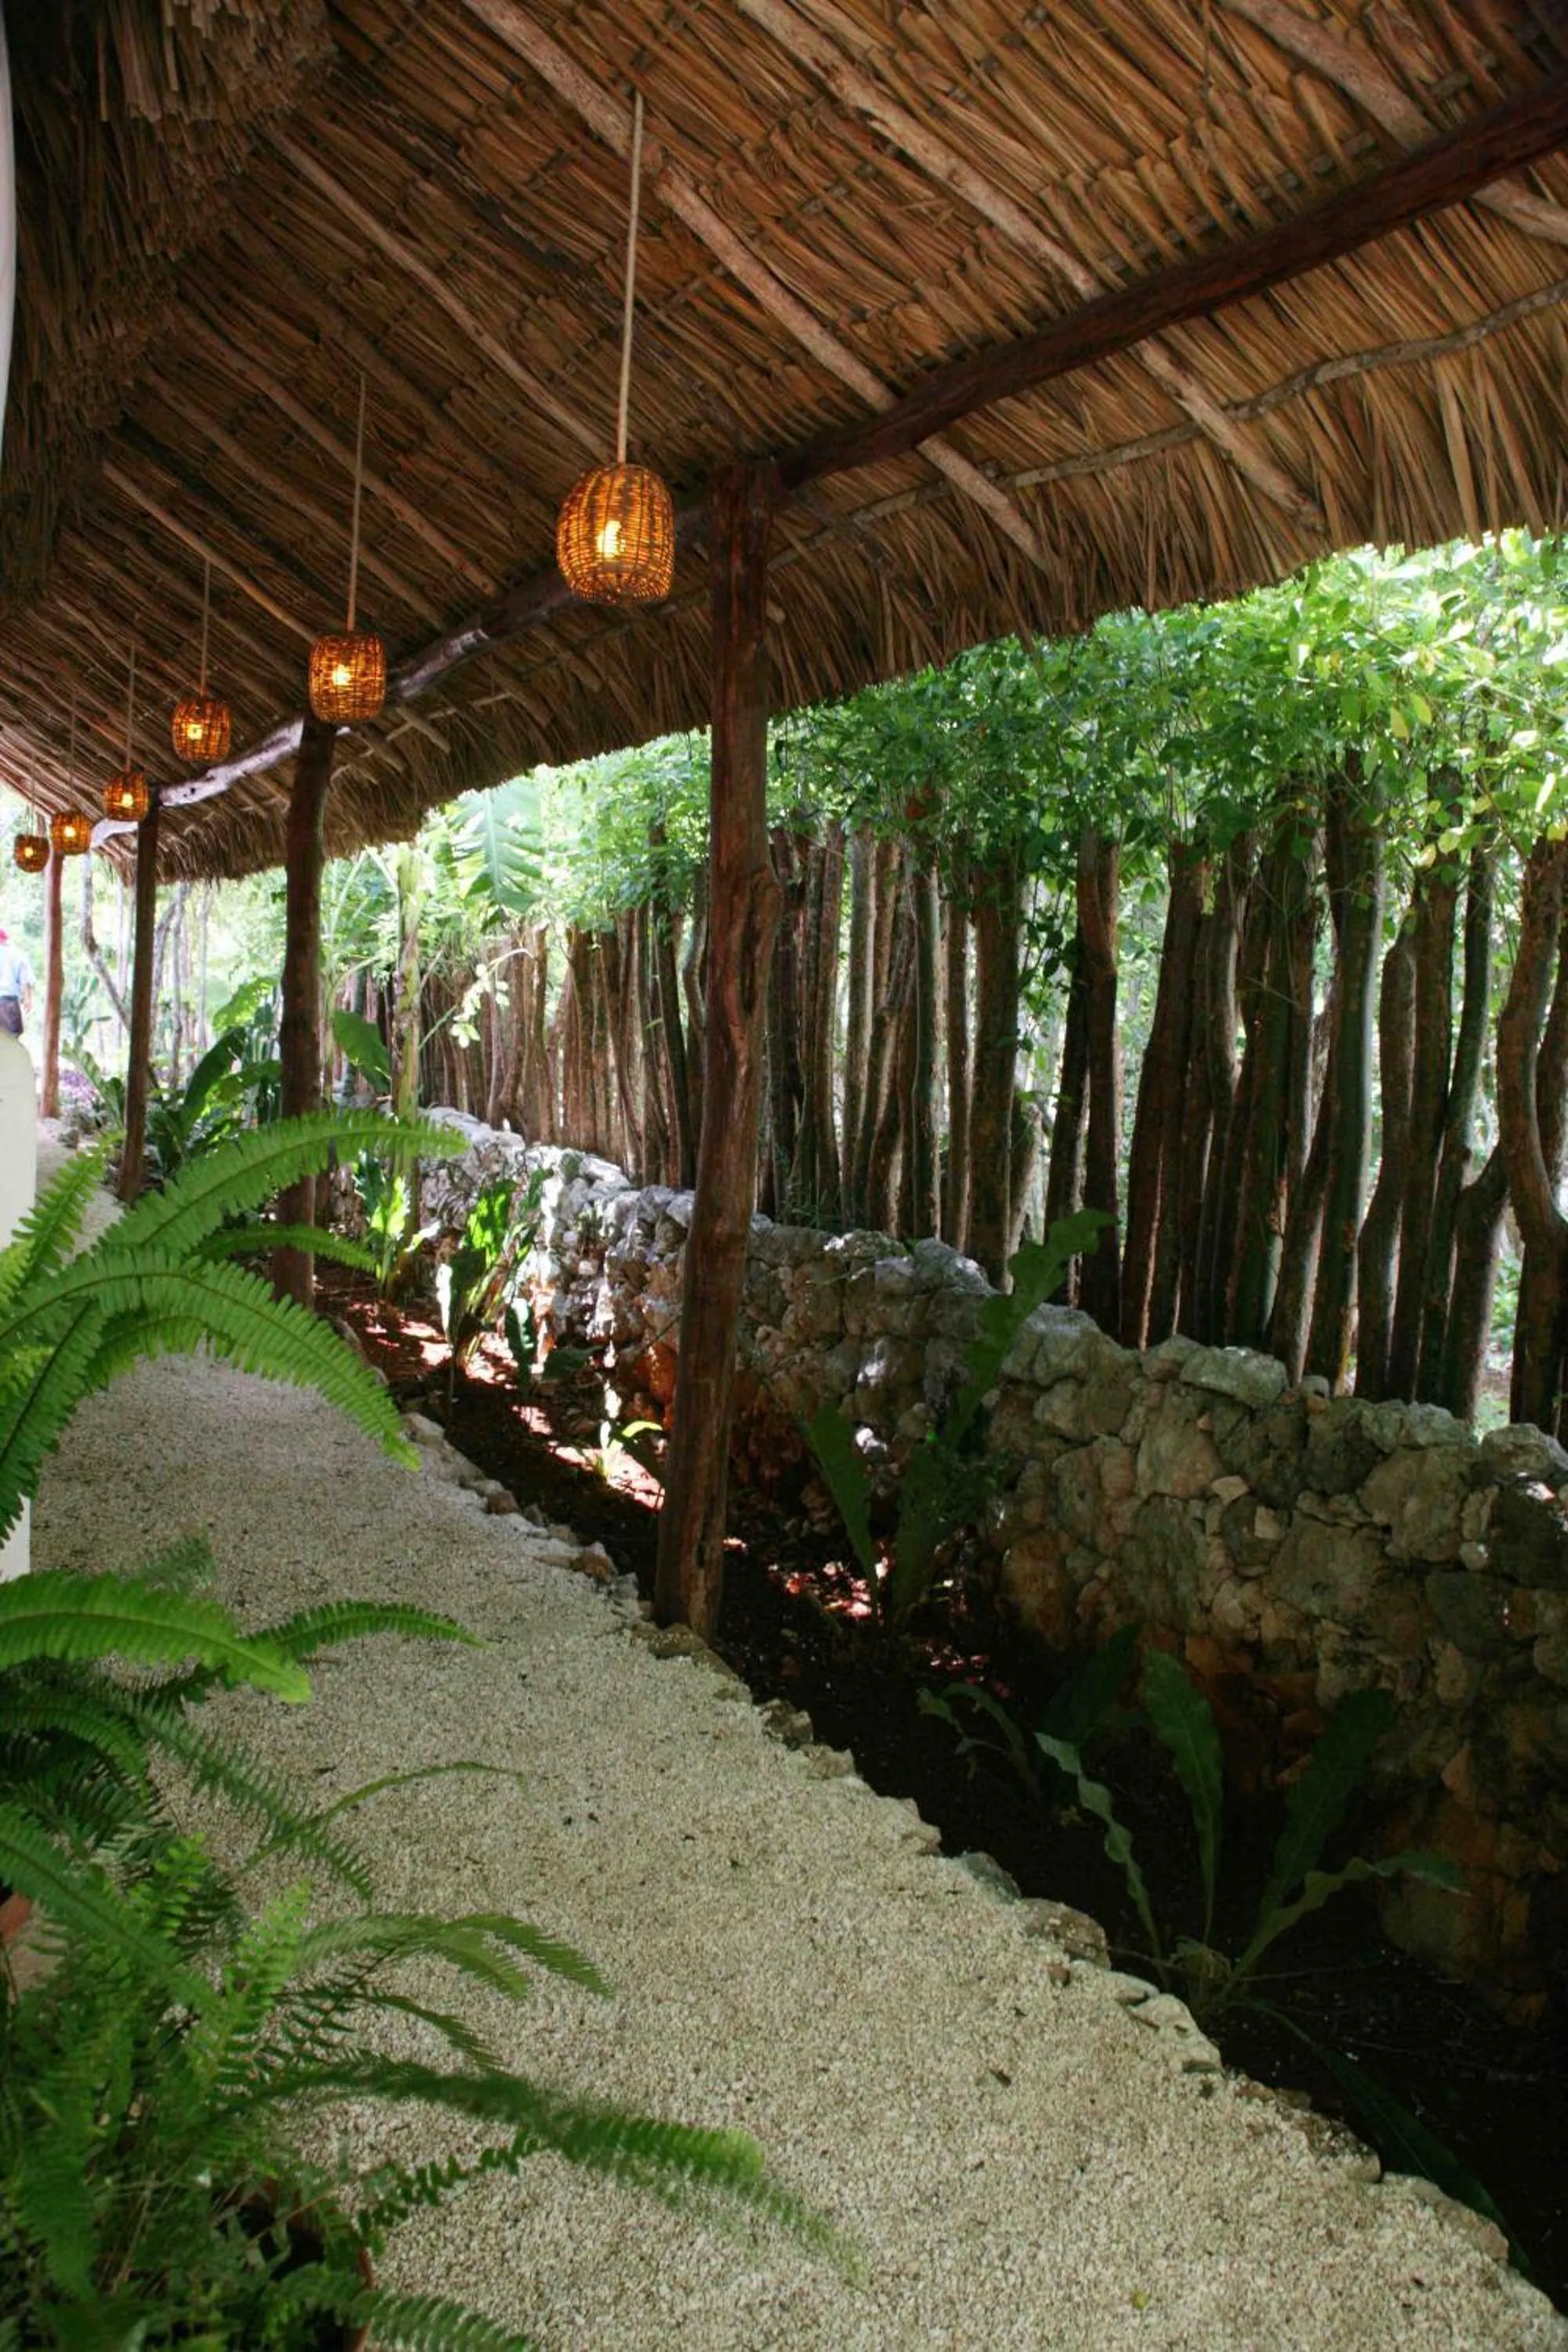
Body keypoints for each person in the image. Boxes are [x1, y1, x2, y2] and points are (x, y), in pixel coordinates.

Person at [0, 928, 35, 1037]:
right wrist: (28, 998)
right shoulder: (17, 954)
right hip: (8, 1004)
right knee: (10, 1043)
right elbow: (25, 978)